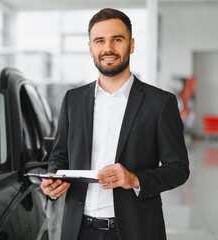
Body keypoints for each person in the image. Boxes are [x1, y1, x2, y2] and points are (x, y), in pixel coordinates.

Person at [40, 8, 190, 240]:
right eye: (99, 41)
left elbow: (178, 169)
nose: (107, 48)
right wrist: (53, 180)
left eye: (116, 39)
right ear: (91, 48)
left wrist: (134, 179)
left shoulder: (160, 103)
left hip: (135, 230)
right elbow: (59, 156)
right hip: (78, 230)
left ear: (131, 45)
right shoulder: (73, 99)